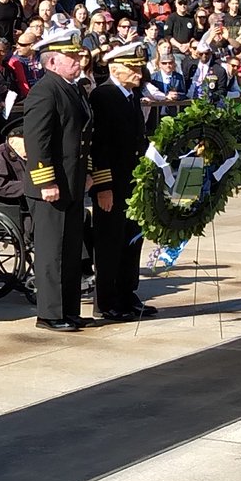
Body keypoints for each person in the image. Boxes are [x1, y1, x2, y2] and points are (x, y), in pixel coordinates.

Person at [24, 26, 95, 332]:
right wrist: (45, 182)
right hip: (52, 185)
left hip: (74, 181)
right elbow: (37, 142)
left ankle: (69, 309)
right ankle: (50, 313)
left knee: (70, 250)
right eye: (71, 56)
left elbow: (84, 136)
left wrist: (88, 171)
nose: (78, 61)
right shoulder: (44, 91)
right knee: (52, 252)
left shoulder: (74, 89)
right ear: (51, 62)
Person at [90, 42, 156, 322]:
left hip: (132, 182)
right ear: (116, 67)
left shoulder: (131, 95)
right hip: (113, 184)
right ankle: (106, 300)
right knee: (110, 242)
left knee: (132, 240)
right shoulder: (102, 96)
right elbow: (99, 146)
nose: (139, 73)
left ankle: (127, 292)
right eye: (134, 67)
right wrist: (103, 187)